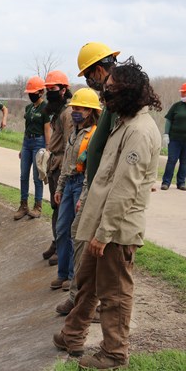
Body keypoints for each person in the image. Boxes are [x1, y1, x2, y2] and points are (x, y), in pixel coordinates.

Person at [53, 59, 162, 370]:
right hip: (99, 224)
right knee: (86, 282)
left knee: (114, 293)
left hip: (116, 230)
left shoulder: (140, 132)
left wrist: (104, 233)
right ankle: (72, 335)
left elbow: (125, 189)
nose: (104, 96)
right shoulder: (123, 123)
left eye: (111, 91)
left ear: (128, 93)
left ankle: (114, 353)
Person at [55, 41, 120, 317]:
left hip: (104, 188)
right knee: (77, 236)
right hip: (89, 185)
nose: (89, 81)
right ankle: (78, 296)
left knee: (100, 247)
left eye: (89, 75)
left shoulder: (117, 101)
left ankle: (91, 304)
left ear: (97, 69)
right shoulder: (109, 100)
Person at [50, 88, 101, 291]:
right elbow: (67, 162)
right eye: (74, 108)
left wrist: (84, 195)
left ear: (90, 111)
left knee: (75, 232)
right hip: (69, 183)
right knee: (62, 229)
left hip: (81, 184)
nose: (75, 111)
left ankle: (72, 276)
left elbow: (91, 170)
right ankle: (62, 273)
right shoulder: (74, 132)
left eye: (79, 108)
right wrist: (60, 186)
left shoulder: (94, 135)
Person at [41, 70, 74, 265]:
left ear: (63, 90)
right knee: (55, 207)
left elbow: (71, 143)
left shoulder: (68, 113)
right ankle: (57, 243)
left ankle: (63, 251)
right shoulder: (58, 111)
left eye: (52, 89)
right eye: (47, 89)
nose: (49, 92)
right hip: (54, 163)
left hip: (63, 165)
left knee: (63, 210)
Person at [14, 76, 51, 220]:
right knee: (23, 175)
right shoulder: (28, 108)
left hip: (39, 142)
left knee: (37, 177)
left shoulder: (45, 108)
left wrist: (47, 148)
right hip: (27, 143)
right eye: (29, 92)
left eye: (33, 92)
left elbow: (47, 129)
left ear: (41, 92)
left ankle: (38, 206)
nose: (31, 94)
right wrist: (22, 147)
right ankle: (23, 205)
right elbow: (26, 127)